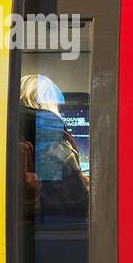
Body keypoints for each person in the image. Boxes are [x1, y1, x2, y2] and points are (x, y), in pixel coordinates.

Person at [19, 73, 88, 220]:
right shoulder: (53, 145)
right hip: (53, 230)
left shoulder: (4, 138)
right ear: (49, 104)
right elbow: (80, 204)